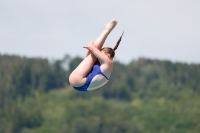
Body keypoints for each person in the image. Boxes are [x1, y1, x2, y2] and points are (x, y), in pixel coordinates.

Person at [69, 19, 124, 91]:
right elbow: (88, 57)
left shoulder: (108, 63)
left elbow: (92, 48)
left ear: (107, 55)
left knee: (95, 49)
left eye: (100, 54)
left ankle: (108, 29)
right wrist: (91, 48)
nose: (98, 57)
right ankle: (107, 29)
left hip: (79, 81)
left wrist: (91, 46)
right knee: (93, 53)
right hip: (81, 87)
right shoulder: (106, 68)